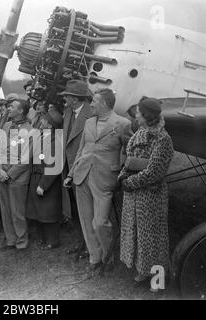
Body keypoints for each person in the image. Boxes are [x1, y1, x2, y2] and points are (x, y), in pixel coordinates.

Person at [64, 88, 132, 275]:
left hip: (104, 178)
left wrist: (122, 173)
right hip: (81, 176)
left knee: (100, 222)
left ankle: (107, 256)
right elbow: (82, 150)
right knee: (87, 221)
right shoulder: (88, 123)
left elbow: (128, 151)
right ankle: (95, 258)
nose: (91, 104)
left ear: (103, 104)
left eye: (94, 101)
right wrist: (71, 174)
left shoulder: (123, 123)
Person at [119, 98, 173, 289]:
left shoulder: (162, 139)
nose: (136, 114)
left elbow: (154, 172)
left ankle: (158, 281)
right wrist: (123, 175)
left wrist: (130, 182)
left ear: (147, 116)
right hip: (134, 196)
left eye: (139, 112)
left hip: (151, 196)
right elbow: (129, 159)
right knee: (137, 235)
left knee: (154, 240)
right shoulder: (140, 133)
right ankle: (143, 271)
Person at [58, 79, 92, 257]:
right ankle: (82, 242)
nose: (64, 98)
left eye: (67, 96)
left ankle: (91, 247)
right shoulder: (68, 112)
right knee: (75, 210)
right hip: (69, 170)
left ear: (76, 99)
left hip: (84, 171)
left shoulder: (92, 115)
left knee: (88, 211)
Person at [0, 99, 32, 250]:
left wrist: (9, 174)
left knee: (17, 211)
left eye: (12, 107)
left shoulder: (30, 130)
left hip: (18, 177)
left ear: (21, 111)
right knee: (5, 209)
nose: (8, 108)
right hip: (2, 174)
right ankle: (10, 240)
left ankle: (21, 241)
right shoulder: (5, 126)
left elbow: (26, 159)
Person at [26, 110, 63, 250]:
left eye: (45, 121)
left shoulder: (55, 140)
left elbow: (54, 165)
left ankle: (53, 241)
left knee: (49, 213)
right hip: (35, 176)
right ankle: (42, 238)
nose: (42, 122)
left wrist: (43, 184)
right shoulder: (41, 137)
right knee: (37, 211)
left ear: (50, 125)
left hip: (46, 180)